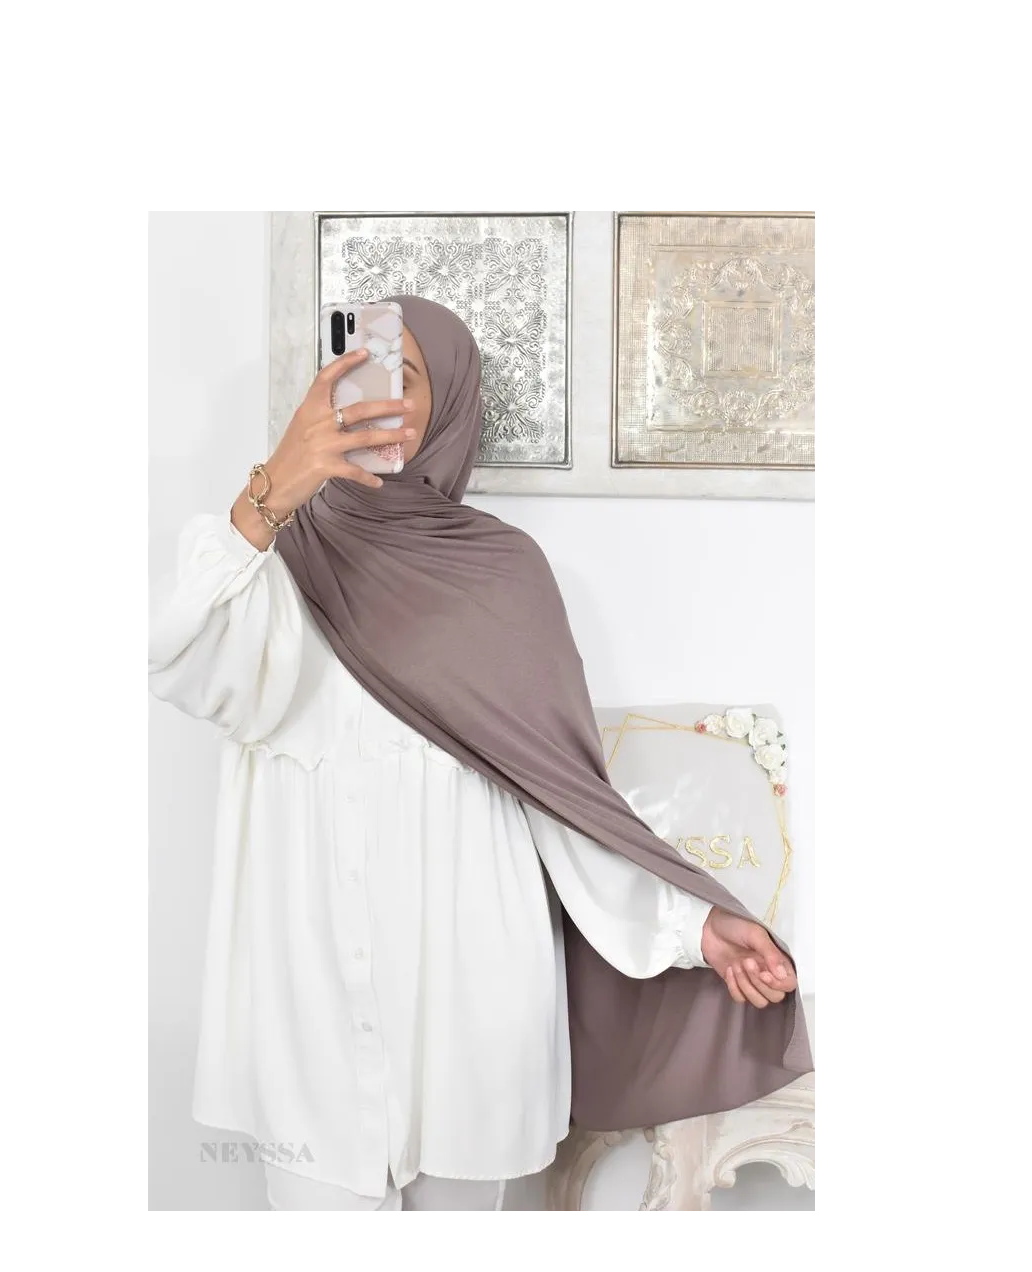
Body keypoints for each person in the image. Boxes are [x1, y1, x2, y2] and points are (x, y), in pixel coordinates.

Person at [149, 295, 809, 1217]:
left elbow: (559, 795)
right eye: (352, 369)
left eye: (405, 375)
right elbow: (183, 664)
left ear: (453, 405)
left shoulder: (505, 573)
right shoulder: (269, 564)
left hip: (472, 1004)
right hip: (306, 1004)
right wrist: (267, 497)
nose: (375, 394)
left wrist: (690, 926)